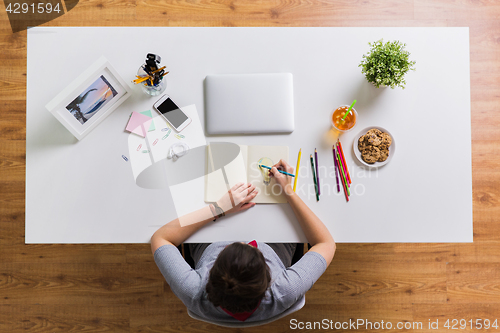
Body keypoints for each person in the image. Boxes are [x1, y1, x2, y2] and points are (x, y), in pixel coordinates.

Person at [151, 159, 336, 324]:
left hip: (208, 241)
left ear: (211, 275)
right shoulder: (284, 290)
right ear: (268, 279)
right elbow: (326, 243)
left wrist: (219, 208)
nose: (245, 240)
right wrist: (288, 190)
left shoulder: (193, 290)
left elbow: (160, 238)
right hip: (276, 247)